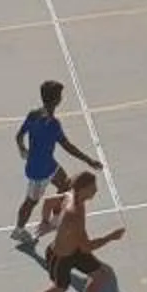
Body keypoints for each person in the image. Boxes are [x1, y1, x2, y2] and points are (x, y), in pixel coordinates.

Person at [12, 79, 104, 245]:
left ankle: (54, 219)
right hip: (39, 171)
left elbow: (19, 135)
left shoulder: (33, 115)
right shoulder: (53, 124)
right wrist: (89, 161)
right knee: (31, 202)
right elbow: (67, 146)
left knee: (65, 183)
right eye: (60, 95)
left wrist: (22, 150)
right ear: (56, 100)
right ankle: (19, 230)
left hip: (48, 164)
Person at [28, 170, 125, 292]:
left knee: (100, 275)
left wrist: (45, 221)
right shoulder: (74, 216)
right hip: (60, 257)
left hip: (75, 251)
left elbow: (48, 202)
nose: (96, 190)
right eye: (93, 188)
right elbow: (87, 246)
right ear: (83, 189)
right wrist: (111, 237)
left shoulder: (71, 195)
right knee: (61, 287)